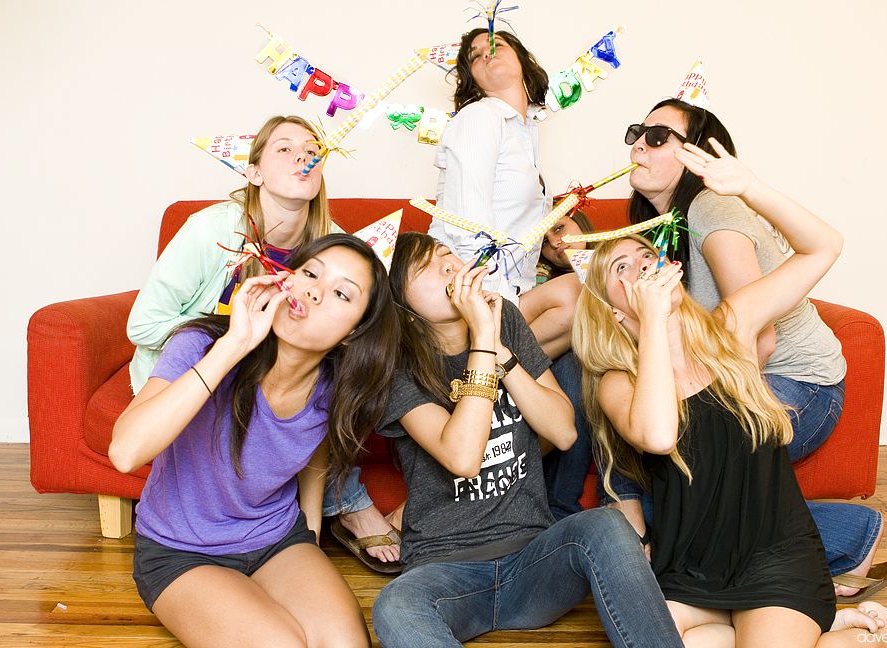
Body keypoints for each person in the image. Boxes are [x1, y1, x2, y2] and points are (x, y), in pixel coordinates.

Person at [573, 140, 887, 646]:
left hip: (774, 555)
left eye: (644, 254)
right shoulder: (617, 383)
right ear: (613, 312)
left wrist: (752, 189)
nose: (640, 266)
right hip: (690, 567)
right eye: (619, 270)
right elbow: (659, 433)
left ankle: (861, 626)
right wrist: (651, 324)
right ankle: (851, 627)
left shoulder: (730, 327)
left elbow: (824, 246)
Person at [370, 232, 683, 648]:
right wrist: (482, 340)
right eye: (426, 267)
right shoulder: (396, 365)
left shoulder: (507, 322)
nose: (447, 266)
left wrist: (500, 348)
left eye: (447, 254)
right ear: (403, 308)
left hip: (534, 559)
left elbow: (564, 432)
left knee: (607, 523)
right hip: (445, 568)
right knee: (394, 605)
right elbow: (461, 457)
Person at [126, 115, 401, 570]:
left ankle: (318, 521)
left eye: (312, 148)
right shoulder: (208, 230)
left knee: (326, 379)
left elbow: (356, 330)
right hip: (200, 371)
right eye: (284, 148)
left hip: (281, 376)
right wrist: (240, 330)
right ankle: (347, 503)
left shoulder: (331, 248)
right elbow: (143, 326)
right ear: (253, 173)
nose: (302, 156)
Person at [110, 234, 398, 648]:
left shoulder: (337, 387)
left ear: (354, 333)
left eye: (340, 293)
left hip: (275, 538)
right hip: (181, 552)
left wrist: (311, 533)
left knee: (346, 644)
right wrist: (234, 345)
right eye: (310, 274)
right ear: (285, 281)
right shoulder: (203, 345)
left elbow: (316, 452)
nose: (315, 292)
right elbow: (125, 452)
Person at [433, 28, 581, 358]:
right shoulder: (479, 117)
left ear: (522, 59)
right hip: (470, 292)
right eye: (474, 55)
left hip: (511, 290)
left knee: (590, 298)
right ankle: (484, 356)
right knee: (576, 294)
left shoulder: (526, 132)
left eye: (495, 45)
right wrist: (492, 307)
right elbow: (467, 225)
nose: (485, 53)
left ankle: (496, 369)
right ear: (471, 77)